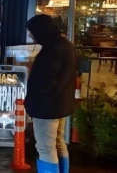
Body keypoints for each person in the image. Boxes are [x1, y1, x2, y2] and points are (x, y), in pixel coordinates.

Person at [25, 14, 76, 173]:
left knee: (46, 148)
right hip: (61, 104)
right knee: (58, 143)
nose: (30, 35)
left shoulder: (50, 51)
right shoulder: (66, 46)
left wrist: (32, 103)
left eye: (32, 31)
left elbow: (45, 82)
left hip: (47, 108)